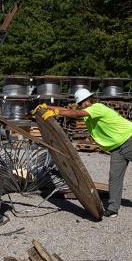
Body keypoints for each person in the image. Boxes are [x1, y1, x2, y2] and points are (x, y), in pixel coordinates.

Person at [33, 88, 132, 218]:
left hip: (129, 140)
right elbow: (69, 111)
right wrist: (47, 107)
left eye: (84, 101)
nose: (83, 104)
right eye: (81, 103)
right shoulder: (87, 112)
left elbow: (75, 114)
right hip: (116, 148)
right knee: (114, 178)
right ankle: (113, 209)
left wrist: (57, 112)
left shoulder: (97, 108)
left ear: (90, 99)